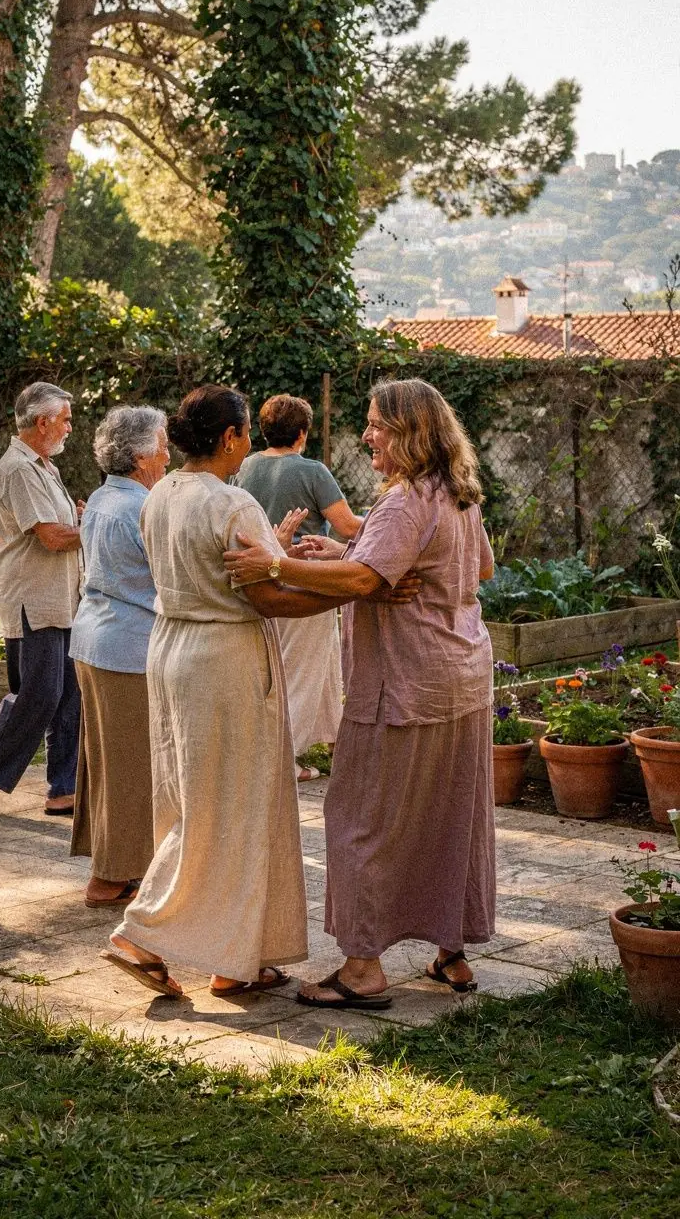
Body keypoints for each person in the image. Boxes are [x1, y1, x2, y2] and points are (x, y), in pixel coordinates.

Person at [101, 383, 396, 1000]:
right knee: (229, 804)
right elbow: (267, 597)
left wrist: (277, 554)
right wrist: (351, 591)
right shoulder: (232, 503)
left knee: (192, 797)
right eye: (242, 434)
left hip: (171, 647)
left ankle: (236, 958)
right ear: (230, 436)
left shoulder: (160, 495)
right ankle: (143, 934)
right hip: (225, 658)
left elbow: (199, 569)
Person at [224, 377, 495, 1009]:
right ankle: (451, 953)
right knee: (450, 817)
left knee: (359, 820)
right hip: (463, 677)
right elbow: (476, 566)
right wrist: (351, 553)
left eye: (377, 425)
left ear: (410, 432)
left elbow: (366, 579)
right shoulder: (456, 491)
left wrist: (275, 565)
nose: (367, 435)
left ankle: (363, 969)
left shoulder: (402, 503)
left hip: (404, 682)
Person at [0, 382, 83, 819]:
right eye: (65, 419)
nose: (69, 427)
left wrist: (79, 517)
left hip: (60, 597)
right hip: (33, 599)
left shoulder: (45, 466)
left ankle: (63, 788)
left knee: (69, 694)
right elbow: (51, 537)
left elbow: (59, 525)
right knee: (39, 692)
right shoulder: (19, 469)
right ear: (42, 422)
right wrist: (96, 527)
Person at [69, 405, 170, 907]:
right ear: (141, 456)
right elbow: (170, 577)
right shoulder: (140, 507)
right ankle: (111, 877)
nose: (169, 456)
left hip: (95, 640)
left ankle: (113, 866)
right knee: (130, 764)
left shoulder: (104, 498)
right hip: (126, 646)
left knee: (107, 760)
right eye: (163, 446)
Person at [236, 393, 360, 776]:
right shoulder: (312, 471)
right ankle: (282, 761)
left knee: (308, 665)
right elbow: (347, 527)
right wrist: (387, 520)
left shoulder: (244, 468)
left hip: (261, 579)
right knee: (302, 671)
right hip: (306, 576)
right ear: (302, 433)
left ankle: (335, 745)